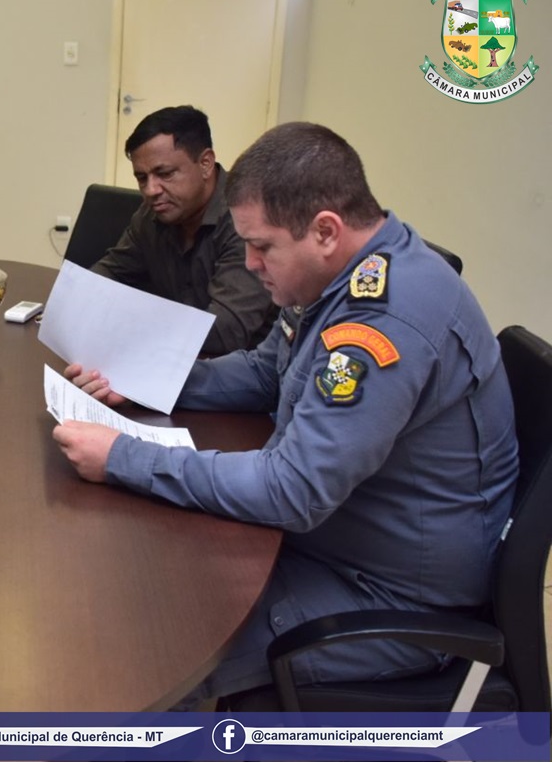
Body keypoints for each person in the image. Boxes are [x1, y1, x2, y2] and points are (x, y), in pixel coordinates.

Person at [54, 122, 517, 705]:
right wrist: (145, 383)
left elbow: (293, 489)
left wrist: (122, 456)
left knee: (155, 641)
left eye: (261, 246)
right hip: (334, 543)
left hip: (384, 595)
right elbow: (264, 371)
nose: (248, 264)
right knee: (141, 569)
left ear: (325, 230)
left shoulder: (383, 320)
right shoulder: (338, 276)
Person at [91, 106, 275, 355]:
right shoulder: (153, 214)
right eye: (142, 178)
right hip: (172, 358)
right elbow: (108, 272)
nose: (151, 190)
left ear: (206, 164)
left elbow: (224, 332)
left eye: (164, 174)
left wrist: (133, 326)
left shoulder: (245, 218)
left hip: (241, 374)